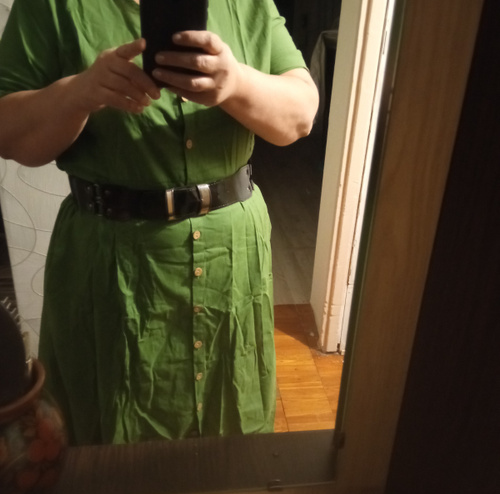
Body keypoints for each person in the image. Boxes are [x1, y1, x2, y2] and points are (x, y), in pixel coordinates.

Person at [0, 0, 318, 445]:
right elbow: (9, 134)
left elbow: (300, 116)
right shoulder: (52, 6)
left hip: (230, 259)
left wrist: (236, 82)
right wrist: (81, 92)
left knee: (230, 430)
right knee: (108, 439)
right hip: (108, 266)